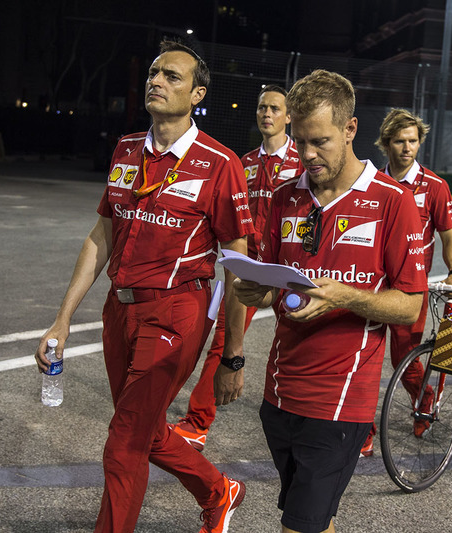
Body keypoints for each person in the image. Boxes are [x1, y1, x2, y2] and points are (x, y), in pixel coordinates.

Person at [34, 40, 251, 532]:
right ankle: (219, 491)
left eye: (172, 76)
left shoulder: (220, 163)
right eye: (155, 73)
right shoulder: (127, 148)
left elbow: (238, 264)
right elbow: (101, 236)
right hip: (120, 310)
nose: (157, 81)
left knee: (125, 441)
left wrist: (233, 352)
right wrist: (63, 320)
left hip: (177, 311)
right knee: (147, 430)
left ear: (197, 94)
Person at [232, 69, 427, 533]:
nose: (306, 155)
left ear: (350, 129)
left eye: (319, 141)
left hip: (341, 401)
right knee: (316, 520)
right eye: (299, 141)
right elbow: (267, 282)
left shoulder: (393, 202)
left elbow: (410, 307)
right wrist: (252, 289)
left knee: (299, 525)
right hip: (279, 394)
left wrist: (345, 297)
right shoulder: (283, 198)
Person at [171, 84, 304, 451]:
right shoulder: (242, 163)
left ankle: (336, 426)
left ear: (289, 116)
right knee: (223, 339)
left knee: (307, 345)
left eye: (275, 108)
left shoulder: (303, 164)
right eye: (262, 107)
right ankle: (198, 423)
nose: (267, 114)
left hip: (289, 269)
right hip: (249, 269)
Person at [358, 108, 452, 457]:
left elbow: (448, 236)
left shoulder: (434, 186)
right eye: (400, 141)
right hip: (372, 285)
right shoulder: (371, 181)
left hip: (410, 289)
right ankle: (364, 430)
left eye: (413, 141)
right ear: (385, 144)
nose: (407, 148)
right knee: (365, 356)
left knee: (404, 358)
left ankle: (423, 399)